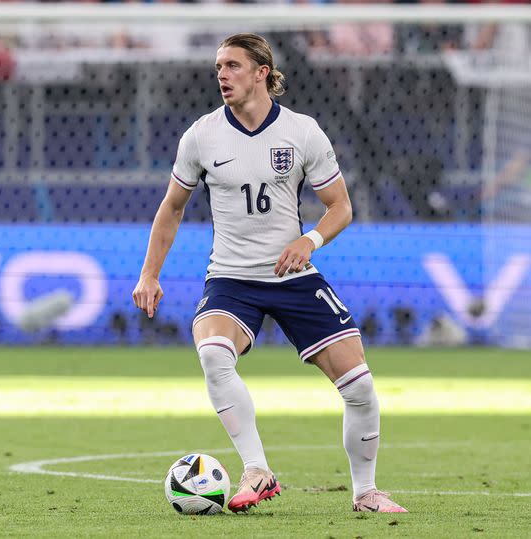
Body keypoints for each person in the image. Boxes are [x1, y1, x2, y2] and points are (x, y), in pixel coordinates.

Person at [132, 33, 407, 514]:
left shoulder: (302, 132)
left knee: (360, 386)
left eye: (234, 65)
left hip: (293, 276)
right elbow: (171, 208)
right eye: (219, 66)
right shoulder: (201, 135)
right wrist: (149, 274)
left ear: (262, 72)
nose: (222, 74)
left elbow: (340, 206)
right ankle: (257, 470)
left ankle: (366, 492)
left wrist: (310, 240)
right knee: (214, 354)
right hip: (231, 280)